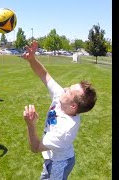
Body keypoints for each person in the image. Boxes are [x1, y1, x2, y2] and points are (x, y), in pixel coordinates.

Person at [22, 40, 97, 179]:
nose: (65, 89)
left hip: (60, 162)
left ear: (73, 106)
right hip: (52, 156)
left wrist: (30, 125)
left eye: (69, 91)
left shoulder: (64, 130)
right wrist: (32, 59)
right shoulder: (62, 97)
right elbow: (44, 75)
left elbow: (36, 148)